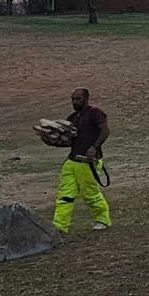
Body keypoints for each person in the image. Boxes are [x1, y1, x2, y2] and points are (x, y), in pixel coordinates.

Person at [52, 86, 112, 235]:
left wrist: (94, 147)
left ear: (86, 99)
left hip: (88, 162)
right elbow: (67, 141)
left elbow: (105, 130)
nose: (74, 102)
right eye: (72, 99)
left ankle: (103, 220)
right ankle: (59, 226)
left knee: (90, 193)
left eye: (78, 99)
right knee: (65, 195)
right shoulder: (71, 118)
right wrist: (51, 139)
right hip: (72, 161)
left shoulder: (95, 113)